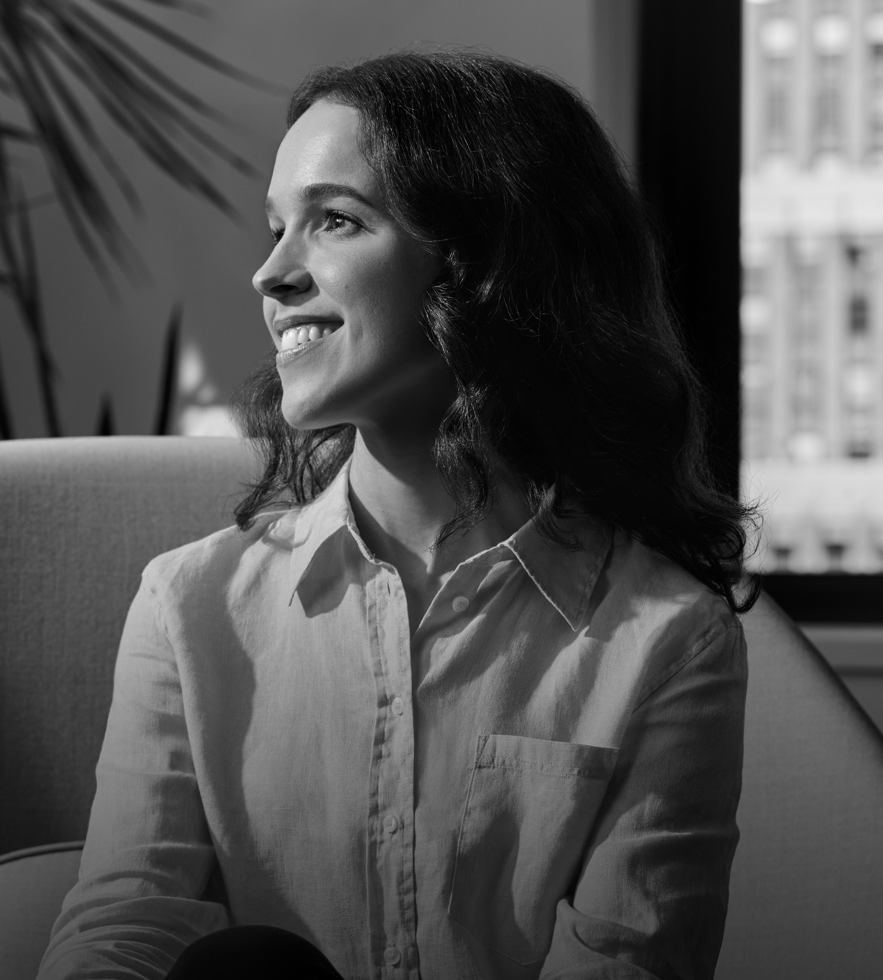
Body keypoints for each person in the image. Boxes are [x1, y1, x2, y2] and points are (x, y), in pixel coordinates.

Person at [37, 50, 759, 980]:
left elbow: (630, 963)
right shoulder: (188, 607)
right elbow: (121, 930)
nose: (270, 273)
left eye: (334, 221)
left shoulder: (668, 637)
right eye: (276, 227)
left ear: (488, 262)